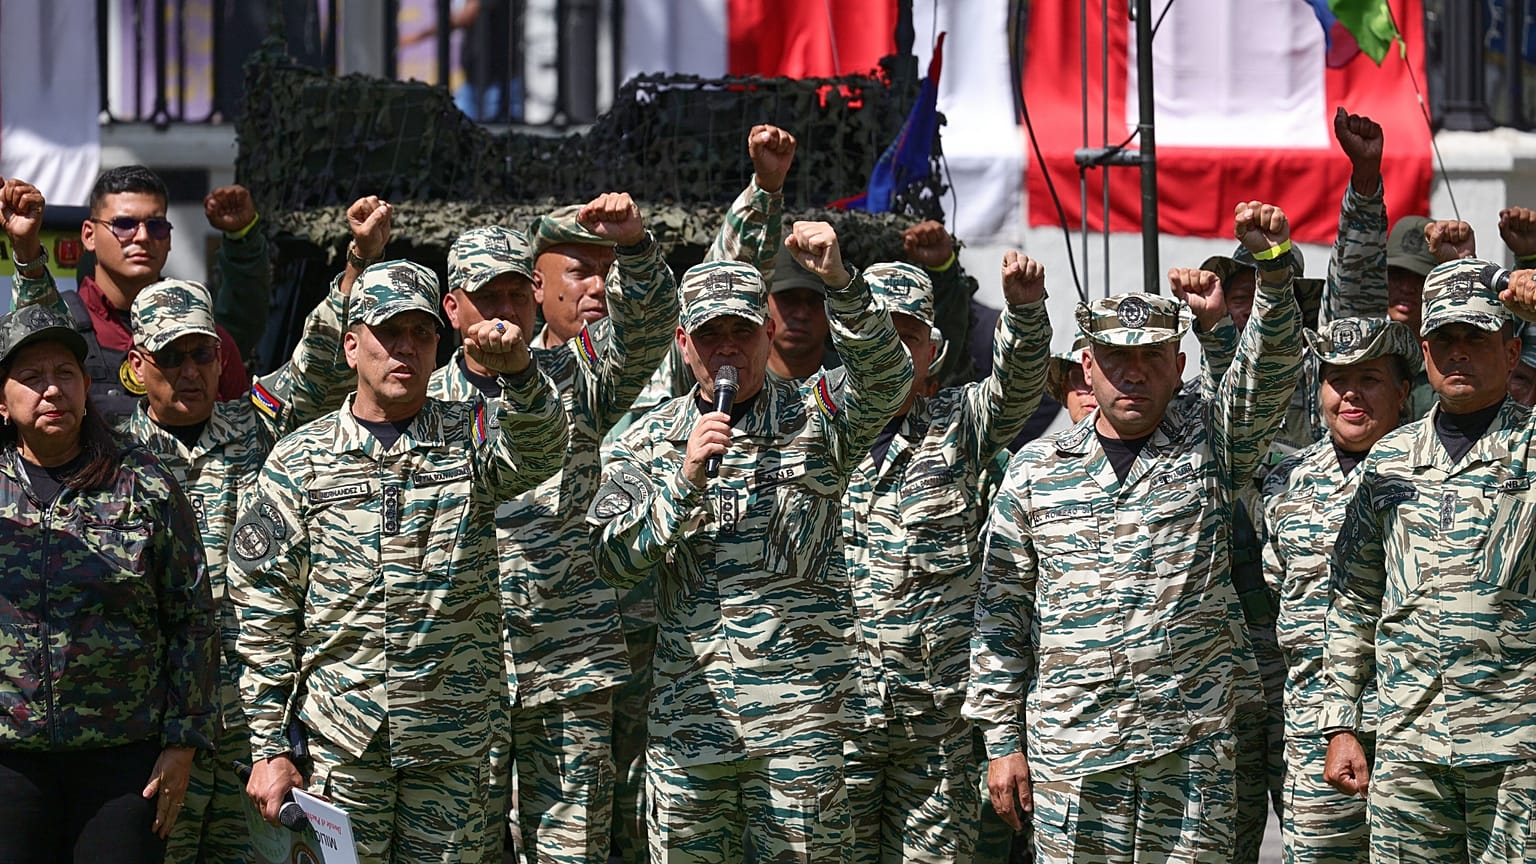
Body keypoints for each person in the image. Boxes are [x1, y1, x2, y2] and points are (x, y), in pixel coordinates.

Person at [967, 201, 1303, 863]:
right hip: (1073, 757)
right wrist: (1002, 741)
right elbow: (1001, 616)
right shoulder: (1036, 471)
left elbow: (1266, 380)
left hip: (1190, 752)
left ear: (1177, 366)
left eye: (1152, 354)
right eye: (1117, 356)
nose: (1134, 370)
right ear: (1086, 367)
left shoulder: (1212, 442)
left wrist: (1273, 273)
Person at [588, 221, 913, 861]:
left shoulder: (820, 416)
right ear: (685, 344)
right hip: (692, 728)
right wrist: (682, 482)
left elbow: (889, 377)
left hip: (801, 730)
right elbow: (612, 560)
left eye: (742, 330)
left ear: (768, 334)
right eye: (710, 335)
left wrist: (842, 286)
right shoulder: (645, 440)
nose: (727, 348)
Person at [231, 260, 569, 863]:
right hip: (343, 742)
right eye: (390, 333)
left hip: (454, 740)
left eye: (421, 334)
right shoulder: (300, 459)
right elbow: (265, 613)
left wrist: (519, 373)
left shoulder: (472, 433)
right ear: (353, 344)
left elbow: (542, 451)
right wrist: (268, 745)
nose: (406, 349)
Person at [122, 196, 377, 864]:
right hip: (159, 722)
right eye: (172, 357)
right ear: (139, 364)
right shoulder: (113, 455)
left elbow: (319, 362)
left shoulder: (254, 422)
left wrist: (353, 264)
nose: (190, 372)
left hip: (249, 722)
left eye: (202, 354)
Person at [428, 193, 676, 863]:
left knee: (573, 853)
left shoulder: (580, 375)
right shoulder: (419, 403)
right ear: (454, 309)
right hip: (461, 672)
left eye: (515, 292)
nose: (503, 309)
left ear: (535, 298)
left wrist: (636, 247)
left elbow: (651, 329)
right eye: (487, 295)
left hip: (569, 663)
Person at [1322, 258, 1536, 864]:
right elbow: (1354, 595)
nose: (1459, 352)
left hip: (1519, 749)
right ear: (1424, 351)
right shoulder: (1388, 460)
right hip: (1408, 744)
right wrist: (1341, 723)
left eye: (1477, 337)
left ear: (1512, 351)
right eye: (1446, 339)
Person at [841, 254, 1050, 864]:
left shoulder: (957, 426)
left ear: (932, 350)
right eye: (875, 333)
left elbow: (1017, 387)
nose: (890, 352)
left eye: (904, 336)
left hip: (935, 729)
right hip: (838, 722)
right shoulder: (811, 428)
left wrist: (1026, 311)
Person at [0, 304, 216, 862]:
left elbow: (192, 615)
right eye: (30, 377)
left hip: (122, 763)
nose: (51, 389)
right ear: (2, 401)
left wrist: (181, 742)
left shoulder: (140, 479)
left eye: (65, 374)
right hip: (10, 760)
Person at [1257, 316, 1419, 864]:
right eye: (1336, 379)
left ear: (1402, 390)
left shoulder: (1436, 472)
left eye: (1369, 378)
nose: (1350, 394)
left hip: (1417, 731)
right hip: (1314, 735)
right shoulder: (1288, 480)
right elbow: (1280, 590)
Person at [1, 168, 270, 424]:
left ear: (169, 239)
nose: (142, 236)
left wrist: (241, 237)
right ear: (88, 235)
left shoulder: (208, 339)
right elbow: (33, 316)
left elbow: (240, 433)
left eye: (156, 226)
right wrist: (26, 247)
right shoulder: (60, 326)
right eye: (124, 224)